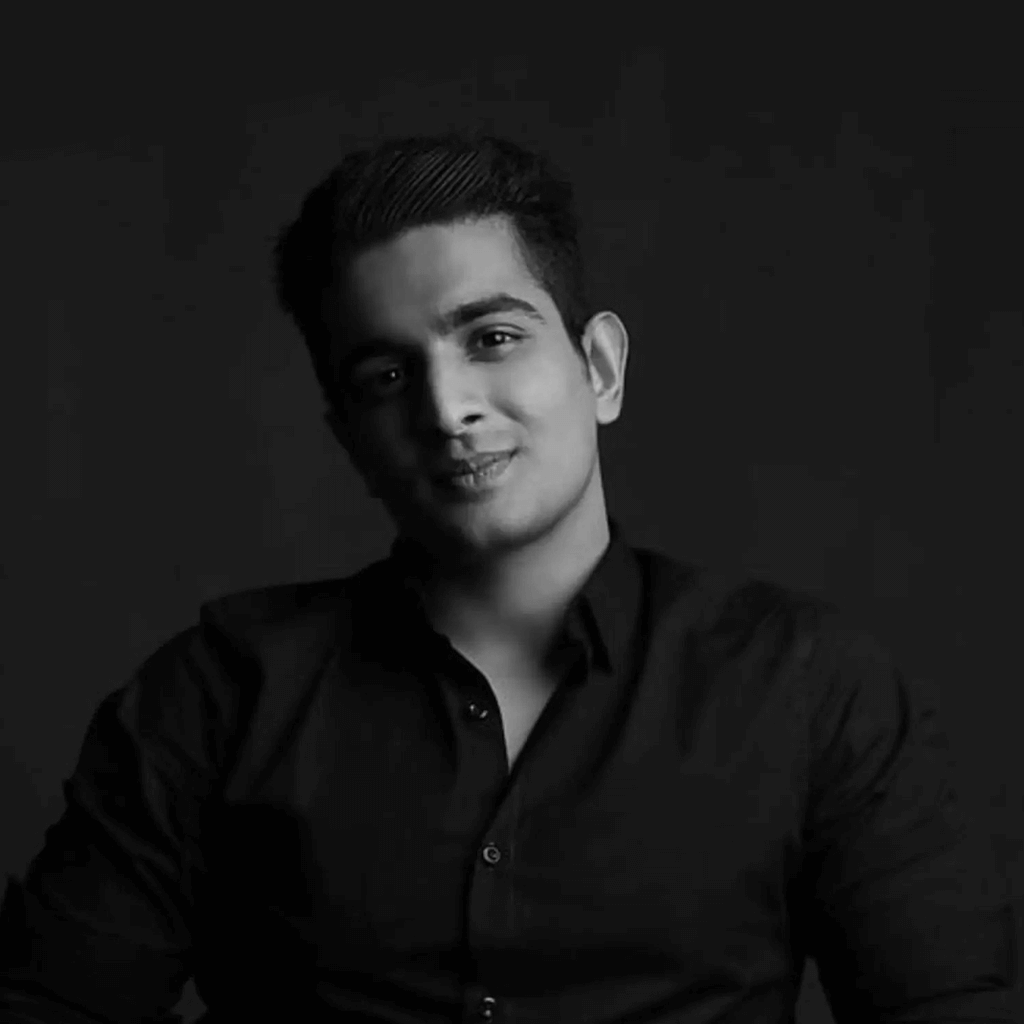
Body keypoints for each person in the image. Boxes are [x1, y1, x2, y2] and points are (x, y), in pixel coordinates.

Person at [0, 133, 1015, 1024]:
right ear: (349, 436)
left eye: (492, 338)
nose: (448, 410)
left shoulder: (808, 686)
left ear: (599, 368)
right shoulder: (217, 695)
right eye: (386, 377)